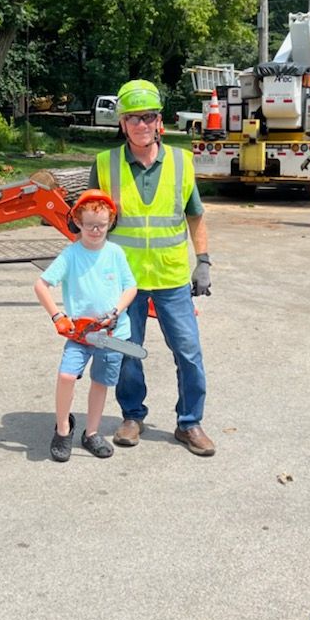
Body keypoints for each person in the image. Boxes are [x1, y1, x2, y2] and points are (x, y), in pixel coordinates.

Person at [89, 79, 215, 457]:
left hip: (172, 277)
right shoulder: (105, 163)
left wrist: (203, 261)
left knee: (189, 351)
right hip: (123, 281)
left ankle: (189, 423)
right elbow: (93, 223)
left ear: (159, 121)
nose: (142, 125)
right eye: (133, 119)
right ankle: (131, 415)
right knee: (127, 350)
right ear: (122, 123)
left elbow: (195, 216)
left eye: (149, 117)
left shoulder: (180, 162)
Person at [34, 190, 137, 463]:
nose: (95, 230)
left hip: (111, 334)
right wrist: (57, 316)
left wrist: (117, 310)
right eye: (90, 224)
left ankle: (91, 432)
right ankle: (63, 428)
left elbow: (131, 286)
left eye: (101, 225)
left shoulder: (115, 253)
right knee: (67, 376)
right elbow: (41, 285)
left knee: (101, 382)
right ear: (77, 221)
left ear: (110, 223)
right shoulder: (71, 255)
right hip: (79, 334)